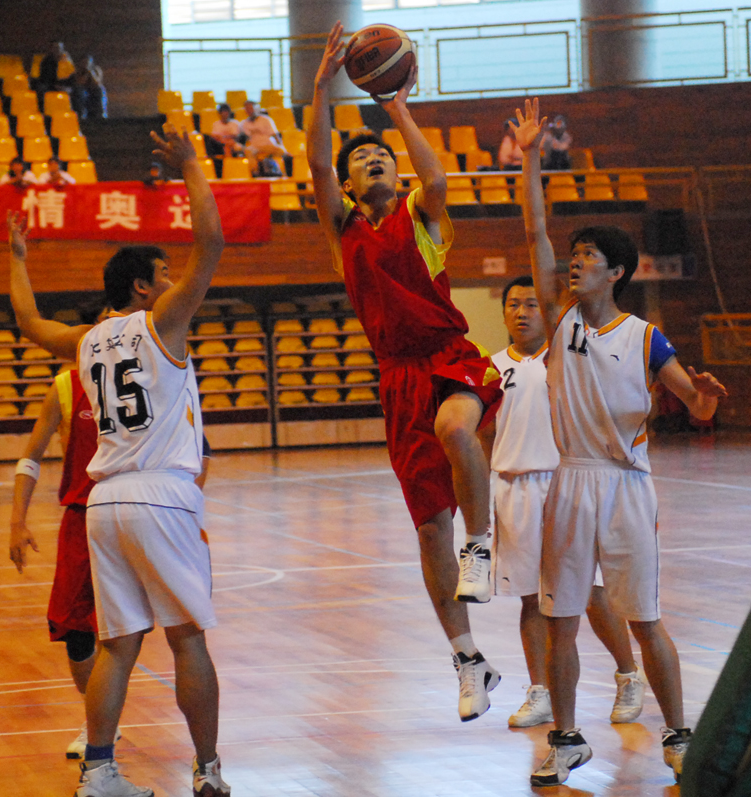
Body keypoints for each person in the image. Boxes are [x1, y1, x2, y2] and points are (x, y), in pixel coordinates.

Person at [7, 123, 229, 797]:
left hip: (103, 502)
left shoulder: (86, 340)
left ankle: (99, 771)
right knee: (187, 638)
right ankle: (208, 770)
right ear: (141, 287)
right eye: (163, 274)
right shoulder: (163, 322)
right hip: (160, 493)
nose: (173, 280)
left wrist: (17, 257)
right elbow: (212, 243)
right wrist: (191, 166)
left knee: (118, 643)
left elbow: (28, 323)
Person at [513, 97, 727, 787]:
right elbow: (535, 228)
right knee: (561, 620)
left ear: (617, 273)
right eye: (574, 255)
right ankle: (566, 738)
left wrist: (705, 396)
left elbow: (695, 407)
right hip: (570, 481)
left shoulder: (645, 337)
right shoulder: (559, 318)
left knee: (645, 620)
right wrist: (529, 158)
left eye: (589, 257)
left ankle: (678, 732)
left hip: (627, 486)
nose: (574, 263)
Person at [307, 22, 503, 723]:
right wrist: (321, 89)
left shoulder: (421, 217)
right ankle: (468, 659)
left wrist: (397, 109)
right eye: (362, 161)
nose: (373, 163)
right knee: (426, 530)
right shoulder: (345, 232)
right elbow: (318, 167)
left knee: (456, 429)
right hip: (397, 381)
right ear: (350, 184)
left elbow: (438, 179)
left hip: (449, 356)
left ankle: (480, 544)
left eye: (382, 158)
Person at [480, 275, 646, 729]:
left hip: (564, 485)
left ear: (547, 311)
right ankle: (541, 692)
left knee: (590, 594)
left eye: (531, 304)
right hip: (513, 489)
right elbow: (483, 437)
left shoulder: (569, 359)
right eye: (513, 304)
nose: (521, 312)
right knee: (531, 599)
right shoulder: (491, 369)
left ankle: (629, 675)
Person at [9, 302, 114, 760]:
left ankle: (105, 731)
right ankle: (98, 721)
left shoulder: (151, 378)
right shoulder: (66, 386)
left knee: (137, 628)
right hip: (81, 517)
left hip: (131, 512)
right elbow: (30, 456)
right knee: (75, 630)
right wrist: (17, 521)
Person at [239, 100, 287, 175]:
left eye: (251, 108)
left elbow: (275, 135)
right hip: (254, 147)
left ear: (256, 108)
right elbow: (244, 139)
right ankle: (255, 173)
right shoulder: (243, 124)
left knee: (281, 151)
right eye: (247, 108)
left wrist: (281, 145)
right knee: (248, 151)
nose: (249, 110)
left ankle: (278, 172)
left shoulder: (266, 120)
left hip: (268, 146)